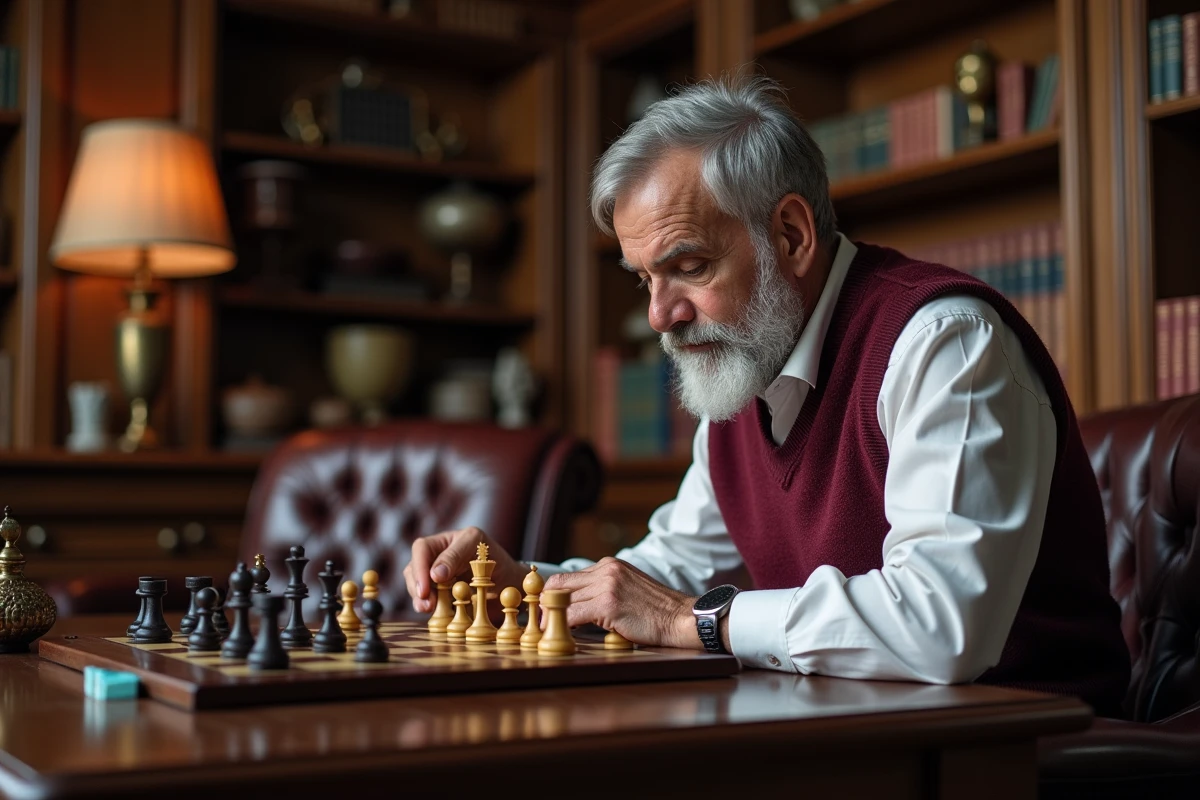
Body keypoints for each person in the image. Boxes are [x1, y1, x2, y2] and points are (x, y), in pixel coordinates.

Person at [404, 73, 1130, 715]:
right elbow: (666, 575)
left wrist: (700, 621)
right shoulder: (743, 375)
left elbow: (942, 628)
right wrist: (519, 583)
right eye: (643, 279)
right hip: (859, 737)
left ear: (789, 234)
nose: (660, 315)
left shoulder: (944, 343)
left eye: (686, 266)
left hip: (1024, 751)